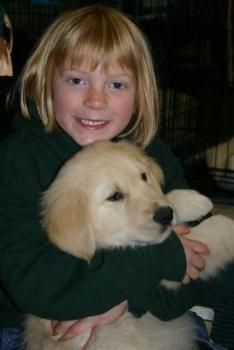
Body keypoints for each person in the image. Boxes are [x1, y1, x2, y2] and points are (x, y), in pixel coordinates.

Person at [0, 5, 213, 350]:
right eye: (76, 80)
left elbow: (193, 276)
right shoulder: (19, 161)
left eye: (116, 84)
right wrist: (162, 257)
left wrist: (124, 300)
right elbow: (33, 284)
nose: (96, 100)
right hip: (39, 328)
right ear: (44, 80)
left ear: (140, 91)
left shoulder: (152, 155)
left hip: (153, 321)